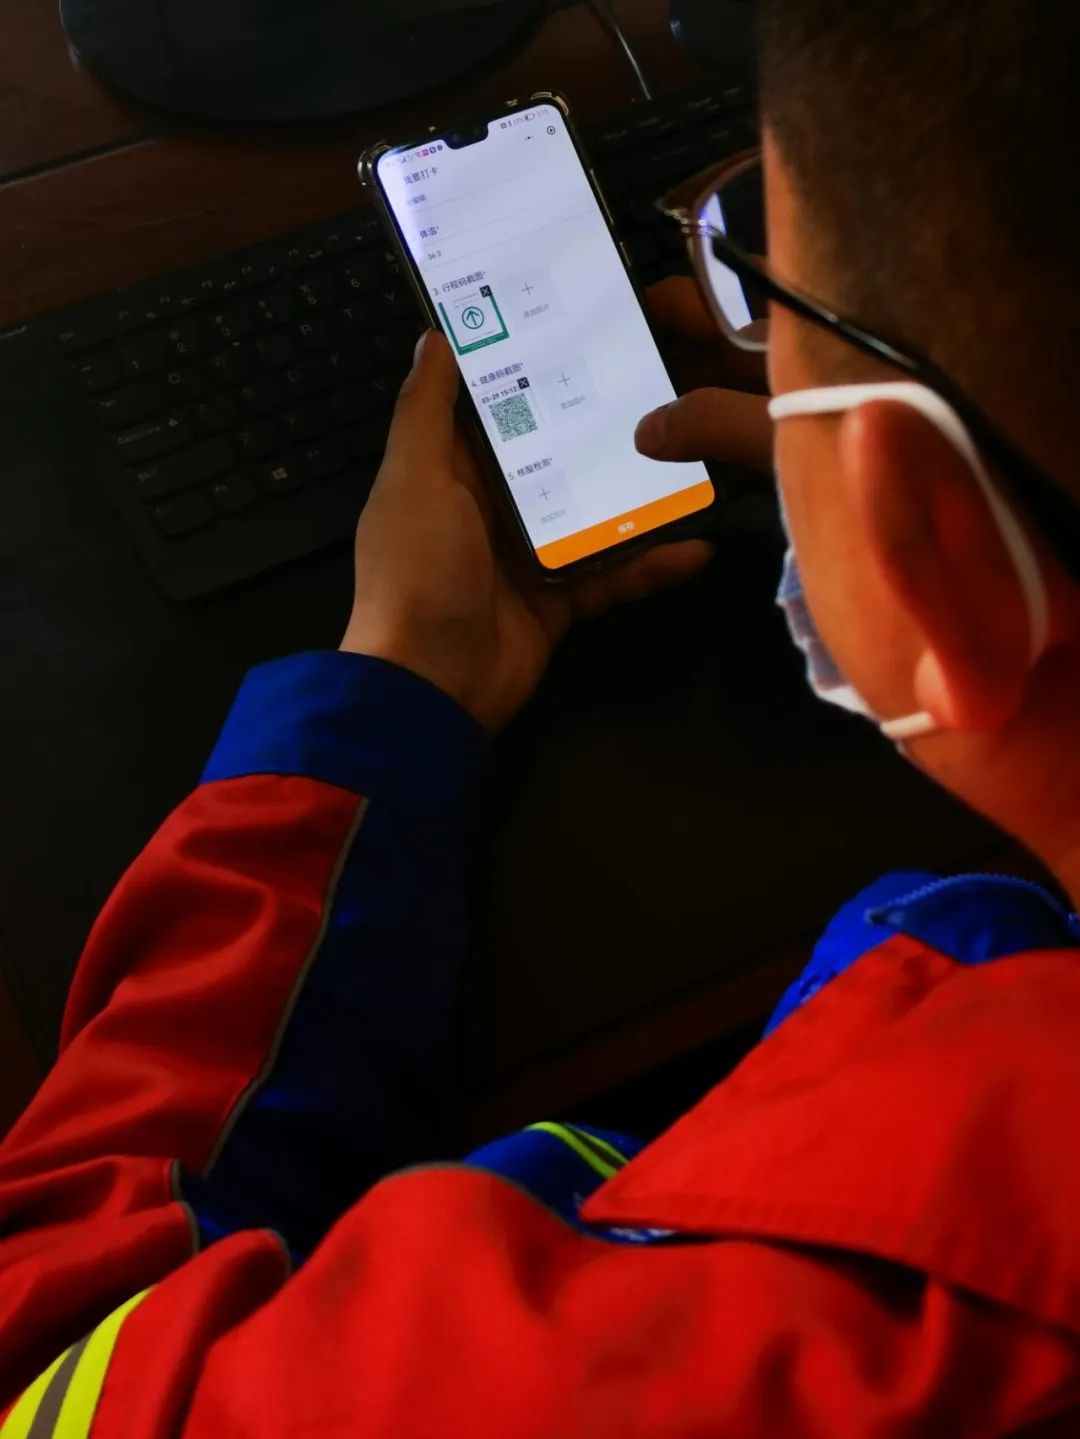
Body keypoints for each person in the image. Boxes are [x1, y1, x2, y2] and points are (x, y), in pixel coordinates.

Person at [2, 0, 1079, 1432]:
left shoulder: (790, 1347)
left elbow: (52, 1363)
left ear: (922, 541)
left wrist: (386, 693)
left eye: (762, 277)